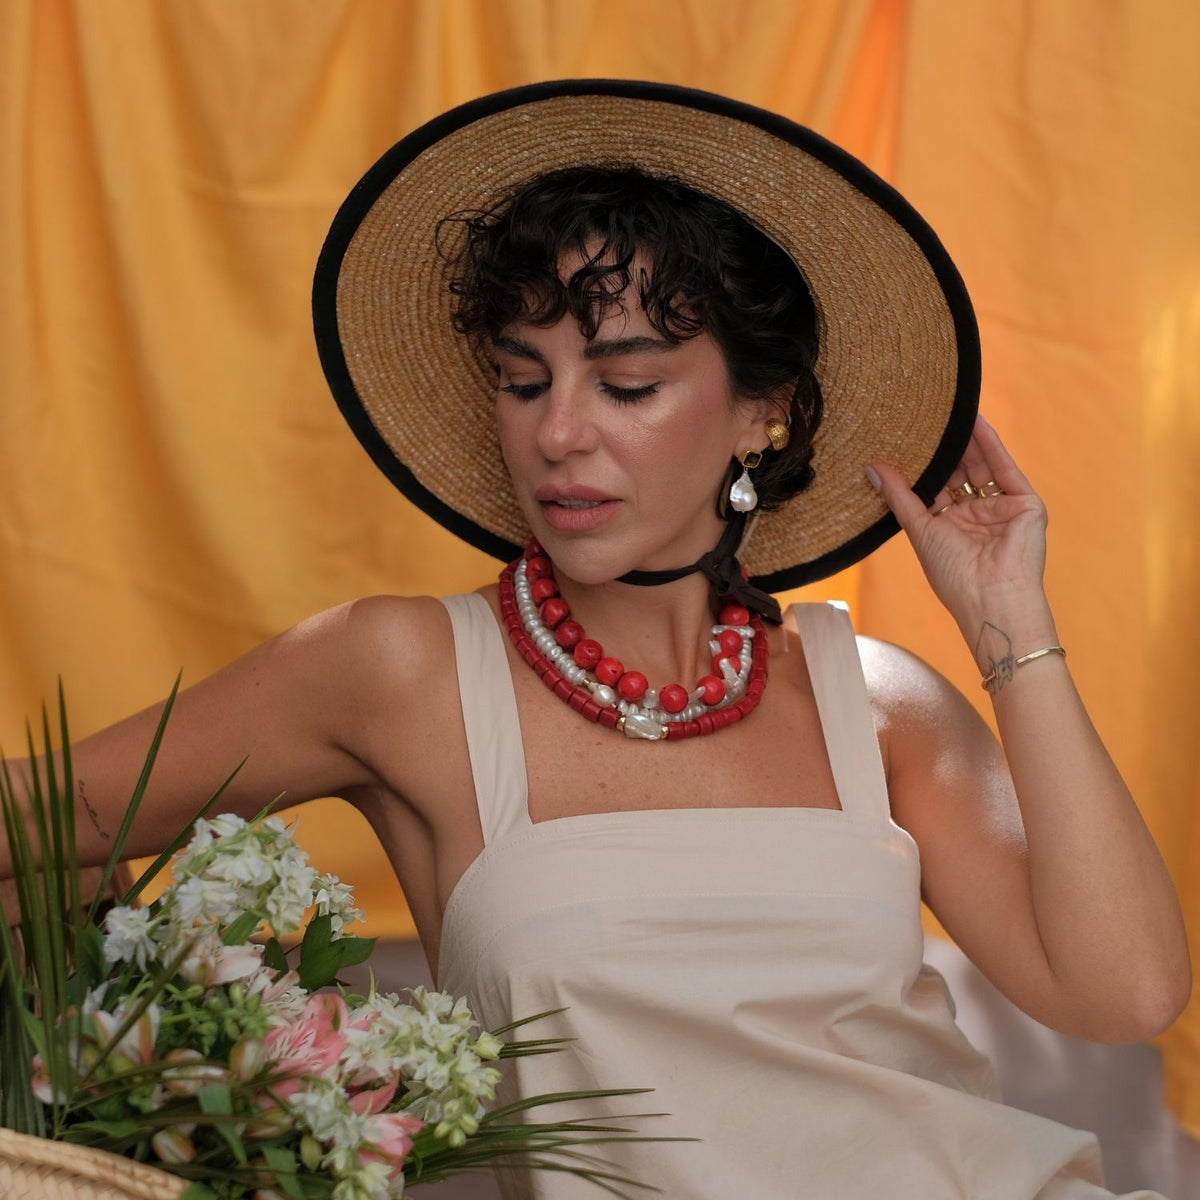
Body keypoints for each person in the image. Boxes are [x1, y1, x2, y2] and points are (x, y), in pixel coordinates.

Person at [3, 80, 1189, 1198]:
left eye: (626, 387)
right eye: (523, 382)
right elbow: (35, 826)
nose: (559, 433)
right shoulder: (396, 672)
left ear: (762, 411)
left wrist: (1006, 614)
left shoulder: (875, 701)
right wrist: (156, 1044)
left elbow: (1123, 991)